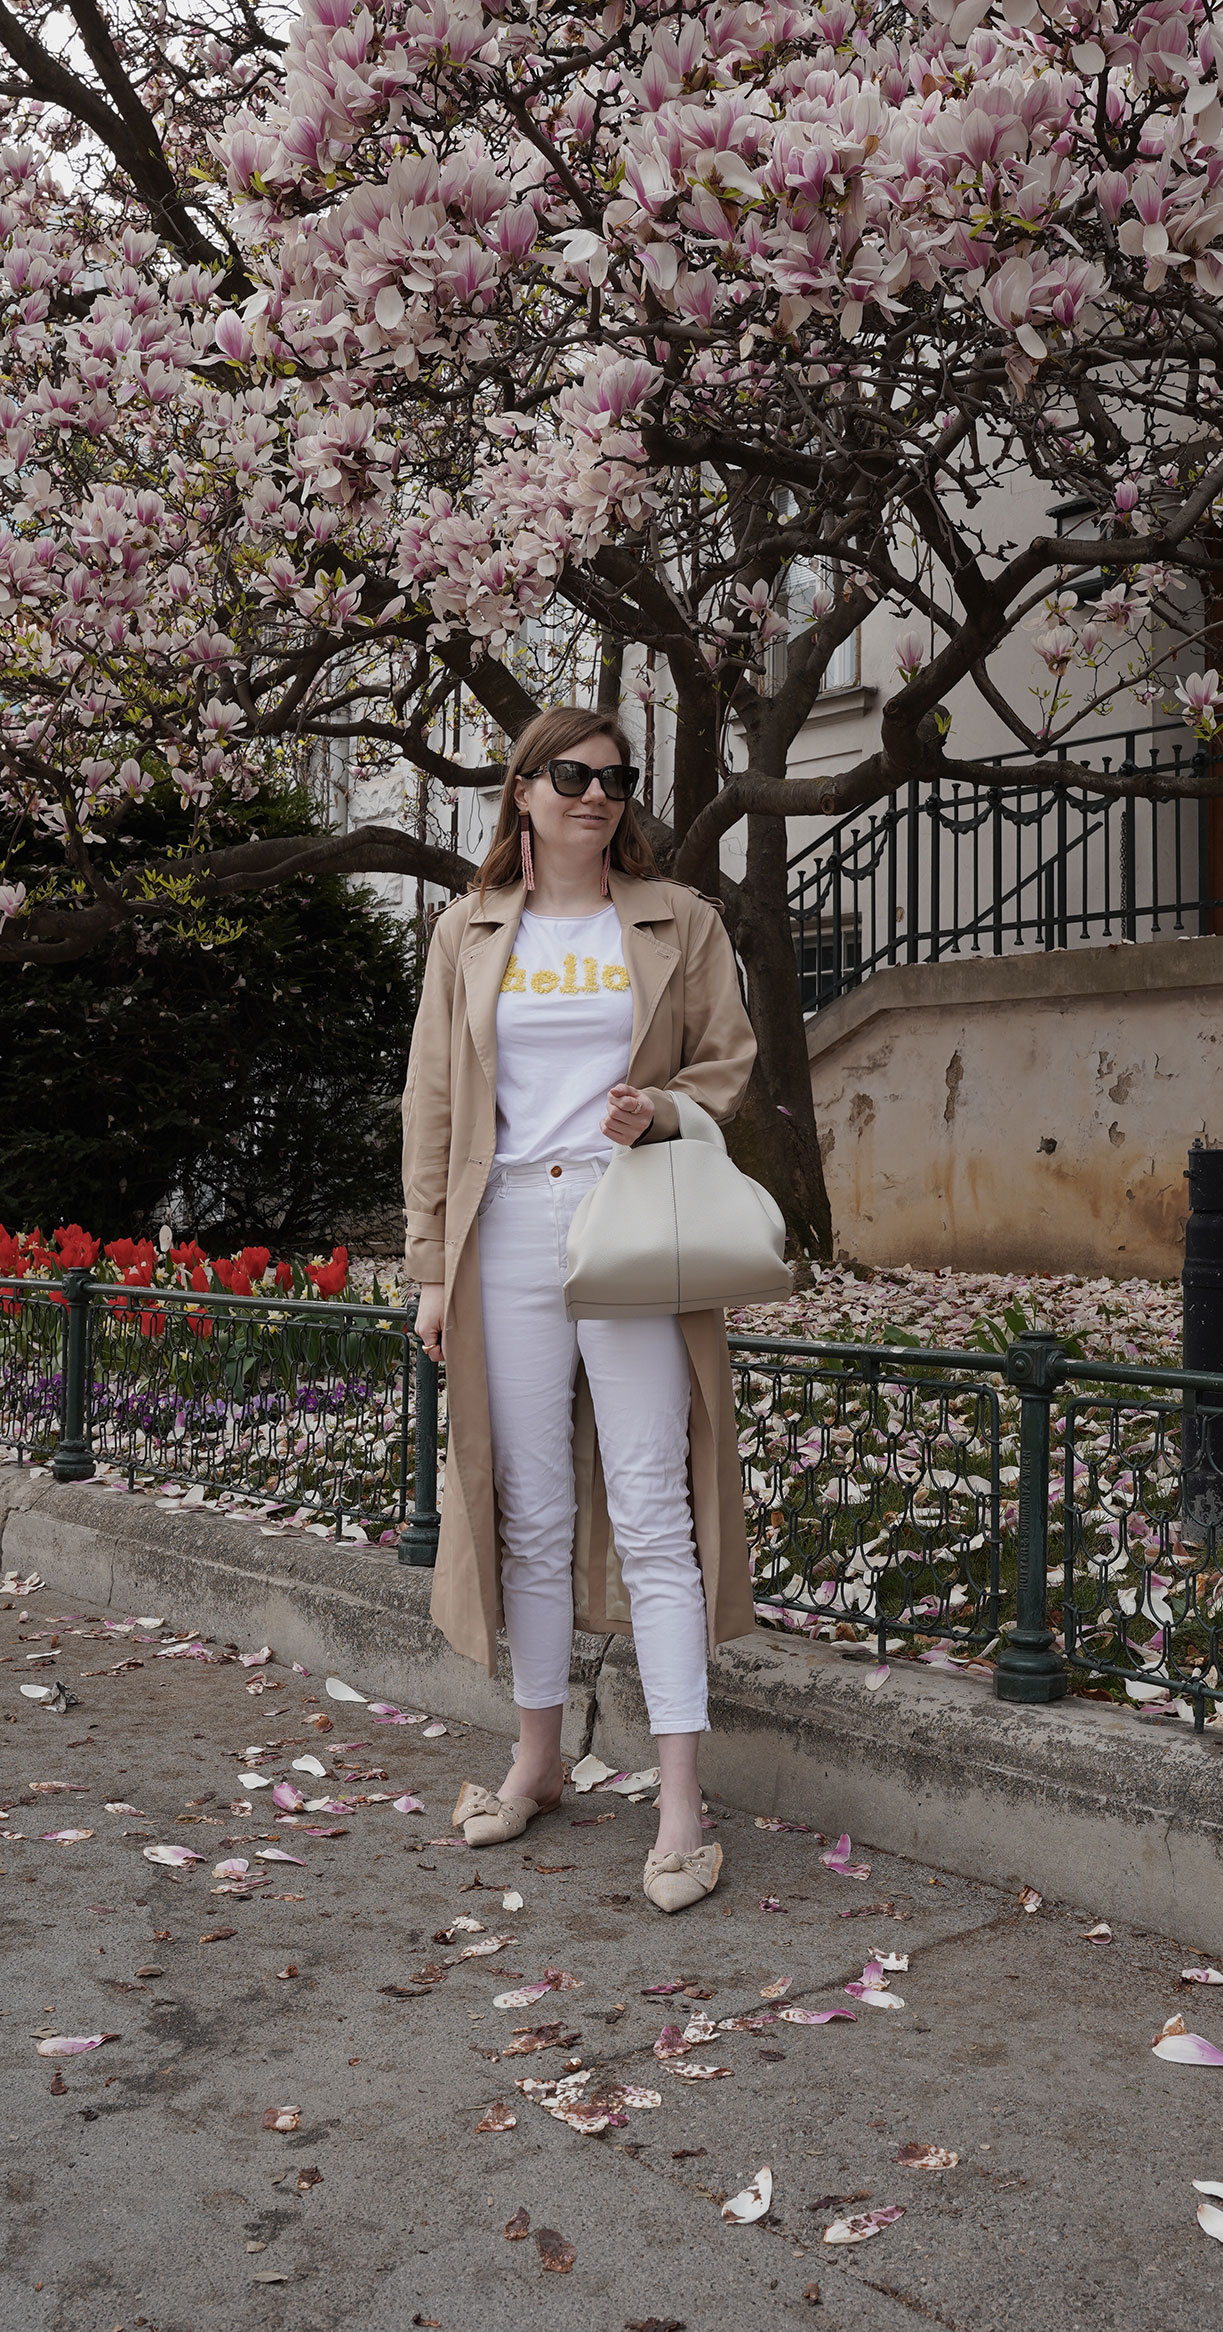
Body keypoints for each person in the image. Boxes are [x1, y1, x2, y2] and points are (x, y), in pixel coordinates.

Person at [401, 704, 759, 1913]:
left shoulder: (677, 920)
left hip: (628, 1226)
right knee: (533, 1508)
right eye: (572, 775)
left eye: (616, 778)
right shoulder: (468, 930)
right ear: (523, 791)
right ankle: (540, 1759)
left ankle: (678, 1804)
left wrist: (657, 1108)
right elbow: (435, 1109)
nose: (596, 795)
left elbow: (728, 1063)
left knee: (655, 1505)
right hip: (504, 1226)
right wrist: (429, 1272)